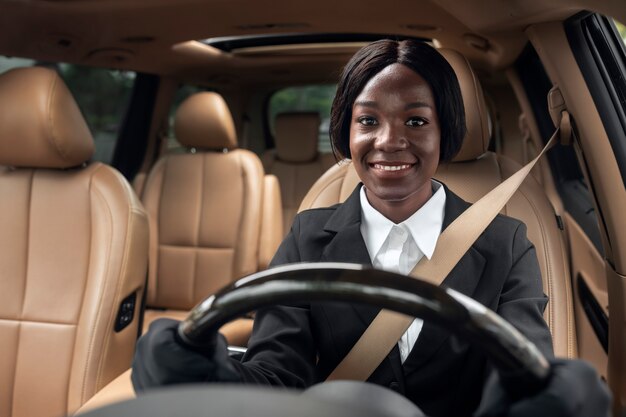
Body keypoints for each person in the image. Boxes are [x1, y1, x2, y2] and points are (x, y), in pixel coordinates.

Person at [132, 40, 611, 417]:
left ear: (445, 131)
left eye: (416, 120)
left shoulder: (506, 242)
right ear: (346, 132)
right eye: (368, 120)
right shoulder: (307, 235)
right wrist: (210, 376)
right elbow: (279, 374)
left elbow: (520, 373)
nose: (389, 141)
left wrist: (546, 399)